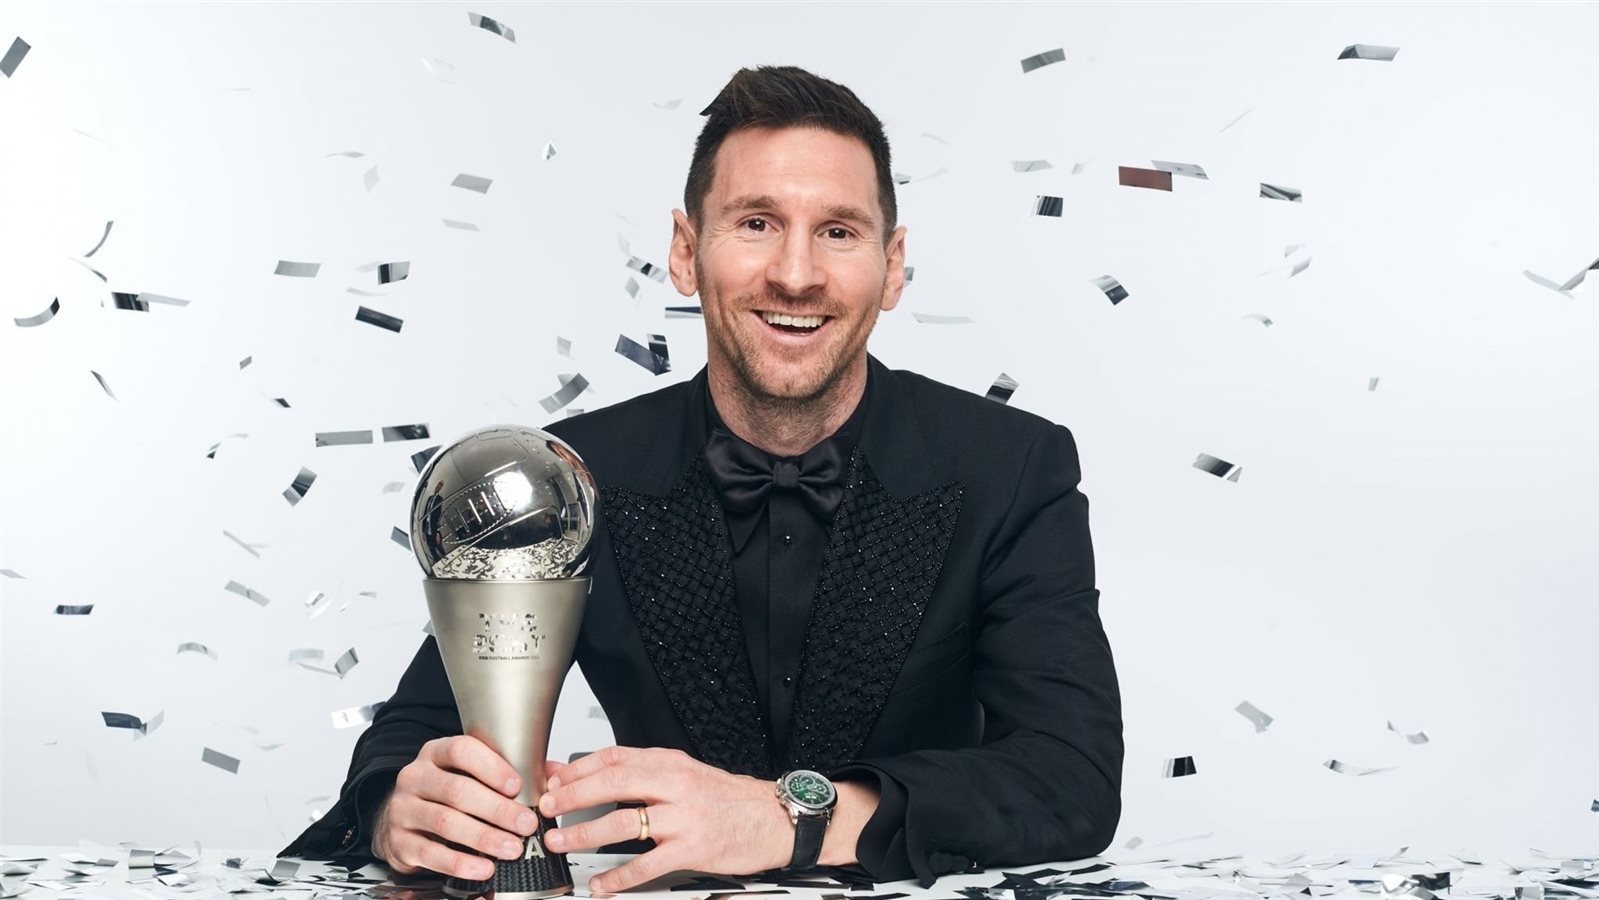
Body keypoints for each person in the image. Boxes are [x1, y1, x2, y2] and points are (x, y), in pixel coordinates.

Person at [282, 65, 1122, 890]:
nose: (795, 274)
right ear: (685, 252)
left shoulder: (1012, 466)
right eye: (756, 223)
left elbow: (1070, 778)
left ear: (891, 264)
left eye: (838, 231)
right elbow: (412, 739)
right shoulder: (571, 476)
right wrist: (397, 809)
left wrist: (789, 819)